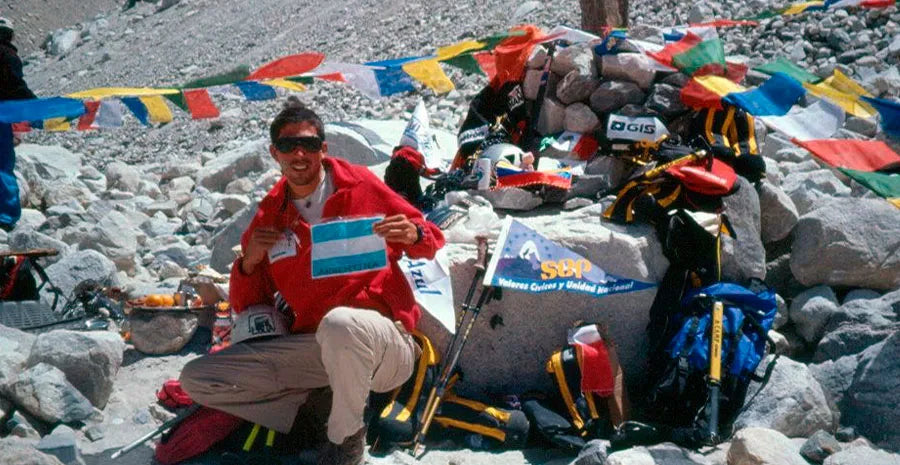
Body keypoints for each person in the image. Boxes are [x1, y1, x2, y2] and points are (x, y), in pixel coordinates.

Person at [180, 97, 445, 465]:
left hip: (386, 347)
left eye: (308, 144)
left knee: (341, 324)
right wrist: (249, 262)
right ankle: (307, 415)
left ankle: (344, 442)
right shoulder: (271, 215)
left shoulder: (361, 185)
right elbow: (250, 307)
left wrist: (414, 234)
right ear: (275, 153)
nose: (299, 154)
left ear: (323, 148)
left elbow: (430, 239)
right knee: (198, 378)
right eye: (288, 146)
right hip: (316, 350)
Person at [0, 17, 35, 232]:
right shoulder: (8, 55)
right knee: (2, 165)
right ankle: (6, 217)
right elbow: (15, 86)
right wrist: (37, 107)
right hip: (1, 116)